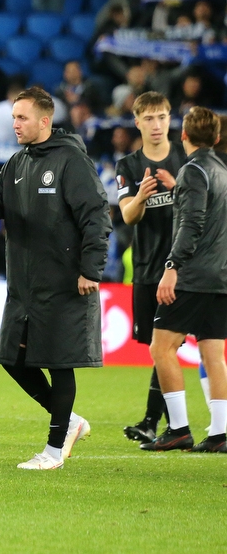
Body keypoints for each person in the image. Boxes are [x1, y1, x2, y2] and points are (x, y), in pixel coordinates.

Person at [0, 86, 111, 470]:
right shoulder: (17, 163)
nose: (15, 125)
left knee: (60, 364)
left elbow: (97, 216)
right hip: (25, 285)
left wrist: (90, 269)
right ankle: (71, 422)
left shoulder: (70, 161)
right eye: (13, 118)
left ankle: (54, 451)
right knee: (13, 359)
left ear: (45, 121)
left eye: (22, 118)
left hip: (64, 281)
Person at [143, 107, 227, 453]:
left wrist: (172, 266)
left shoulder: (193, 170)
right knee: (213, 354)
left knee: (161, 348)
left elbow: (191, 224)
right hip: (221, 276)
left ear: (183, 135)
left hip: (192, 276)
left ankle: (178, 428)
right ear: (218, 138)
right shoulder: (223, 170)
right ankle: (221, 433)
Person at [114, 92, 187, 444]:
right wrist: (141, 195)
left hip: (184, 268)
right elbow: (128, 216)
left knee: (166, 345)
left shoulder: (186, 158)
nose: (157, 125)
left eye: (162, 117)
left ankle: (161, 423)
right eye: (150, 118)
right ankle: (164, 424)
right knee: (157, 346)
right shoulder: (127, 166)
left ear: (170, 119)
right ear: (138, 121)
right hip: (146, 267)